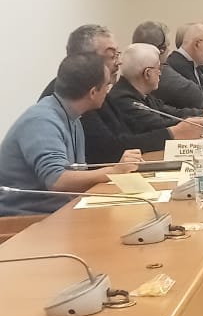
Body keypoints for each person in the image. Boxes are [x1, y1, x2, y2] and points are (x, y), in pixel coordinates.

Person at [0, 54, 141, 216]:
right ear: (93, 92)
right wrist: (113, 171)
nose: (108, 92)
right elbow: (57, 180)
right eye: (107, 86)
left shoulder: (72, 117)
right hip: (23, 219)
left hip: (56, 212)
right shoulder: (42, 121)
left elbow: (77, 174)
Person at [40, 25, 191, 163]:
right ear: (84, 58)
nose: (119, 62)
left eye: (118, 55)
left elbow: (126, 135)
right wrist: (171, 134)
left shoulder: (100, 91)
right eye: (112, 56)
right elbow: (107, 150)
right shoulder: (74, 92)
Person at [108, 44, 203, 134]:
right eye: (158, 68)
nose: (160, 73)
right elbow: (159, 126)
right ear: (147, 73)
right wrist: (202, 120)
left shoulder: (143, 93)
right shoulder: (123, 99)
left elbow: (171, 112)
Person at [132, 20, 203, 110]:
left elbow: (163, 109)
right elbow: (196, 97)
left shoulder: (132, 69)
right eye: (167, 45)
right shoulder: (161, 71)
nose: (169, 50)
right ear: (161, 50)